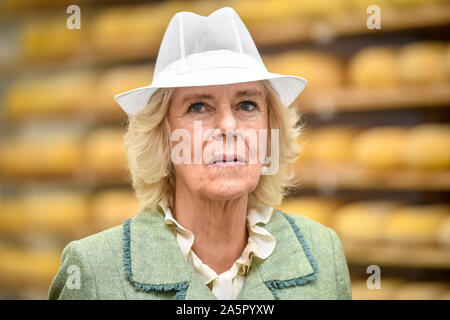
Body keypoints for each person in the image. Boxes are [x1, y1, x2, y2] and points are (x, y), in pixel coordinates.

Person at [48, 7, 352, 300]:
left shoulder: (324, 253)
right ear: (162, 137)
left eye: (247, 104)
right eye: (198, 107)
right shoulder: (94, 271)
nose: (228, 126)